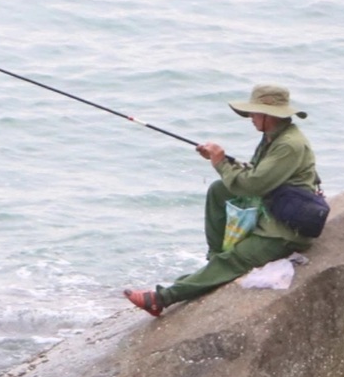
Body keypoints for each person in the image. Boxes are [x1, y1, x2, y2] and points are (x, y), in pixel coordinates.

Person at [125, 84, 321, 317]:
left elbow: (254, 184)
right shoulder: (273, 137)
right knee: (220, 190)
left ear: (270, 116)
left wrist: (220, 164)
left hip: (286, 226)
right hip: (273, 202)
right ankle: (216, 261)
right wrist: (223, 161)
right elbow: (256, 173)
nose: (250, 118)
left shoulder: (289, 144)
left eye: (255, 113)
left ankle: (161, 299)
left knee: (236, 260)